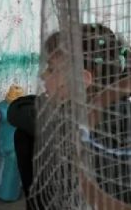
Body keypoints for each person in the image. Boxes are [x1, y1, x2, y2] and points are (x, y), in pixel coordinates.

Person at [9, 23, 130, 209]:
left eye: (51, 69)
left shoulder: (85, 120)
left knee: (26, 135)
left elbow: (17, 110)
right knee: (27, 133)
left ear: (82, 80)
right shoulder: (111, 104)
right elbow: (19, 109)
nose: (43, 75)